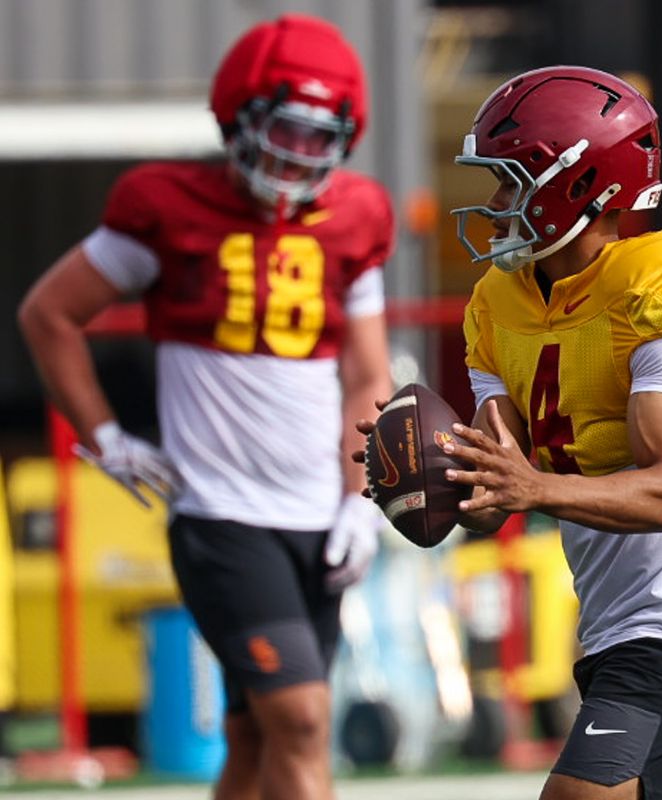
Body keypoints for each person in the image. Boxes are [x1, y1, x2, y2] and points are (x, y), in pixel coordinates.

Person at [17, 14, 393, 800]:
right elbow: (49, 314)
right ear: (239, 119)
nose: (297, 157)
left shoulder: (357, 217)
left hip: (318, 515)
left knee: (257, 738)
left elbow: (367, 374)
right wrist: (106, 437)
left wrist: (360, 499)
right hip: (221, 513)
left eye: (317, 138)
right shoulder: (166, 205)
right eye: (284, 131)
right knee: (299, 717)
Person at [443, 66, 662, 800]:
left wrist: (532, 487)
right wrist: (431, 475)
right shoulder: (497, 304)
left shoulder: (661, 280)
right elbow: (499, 490)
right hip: (613, 629)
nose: (494, 205)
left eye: (510, 181)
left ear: (578, 185)